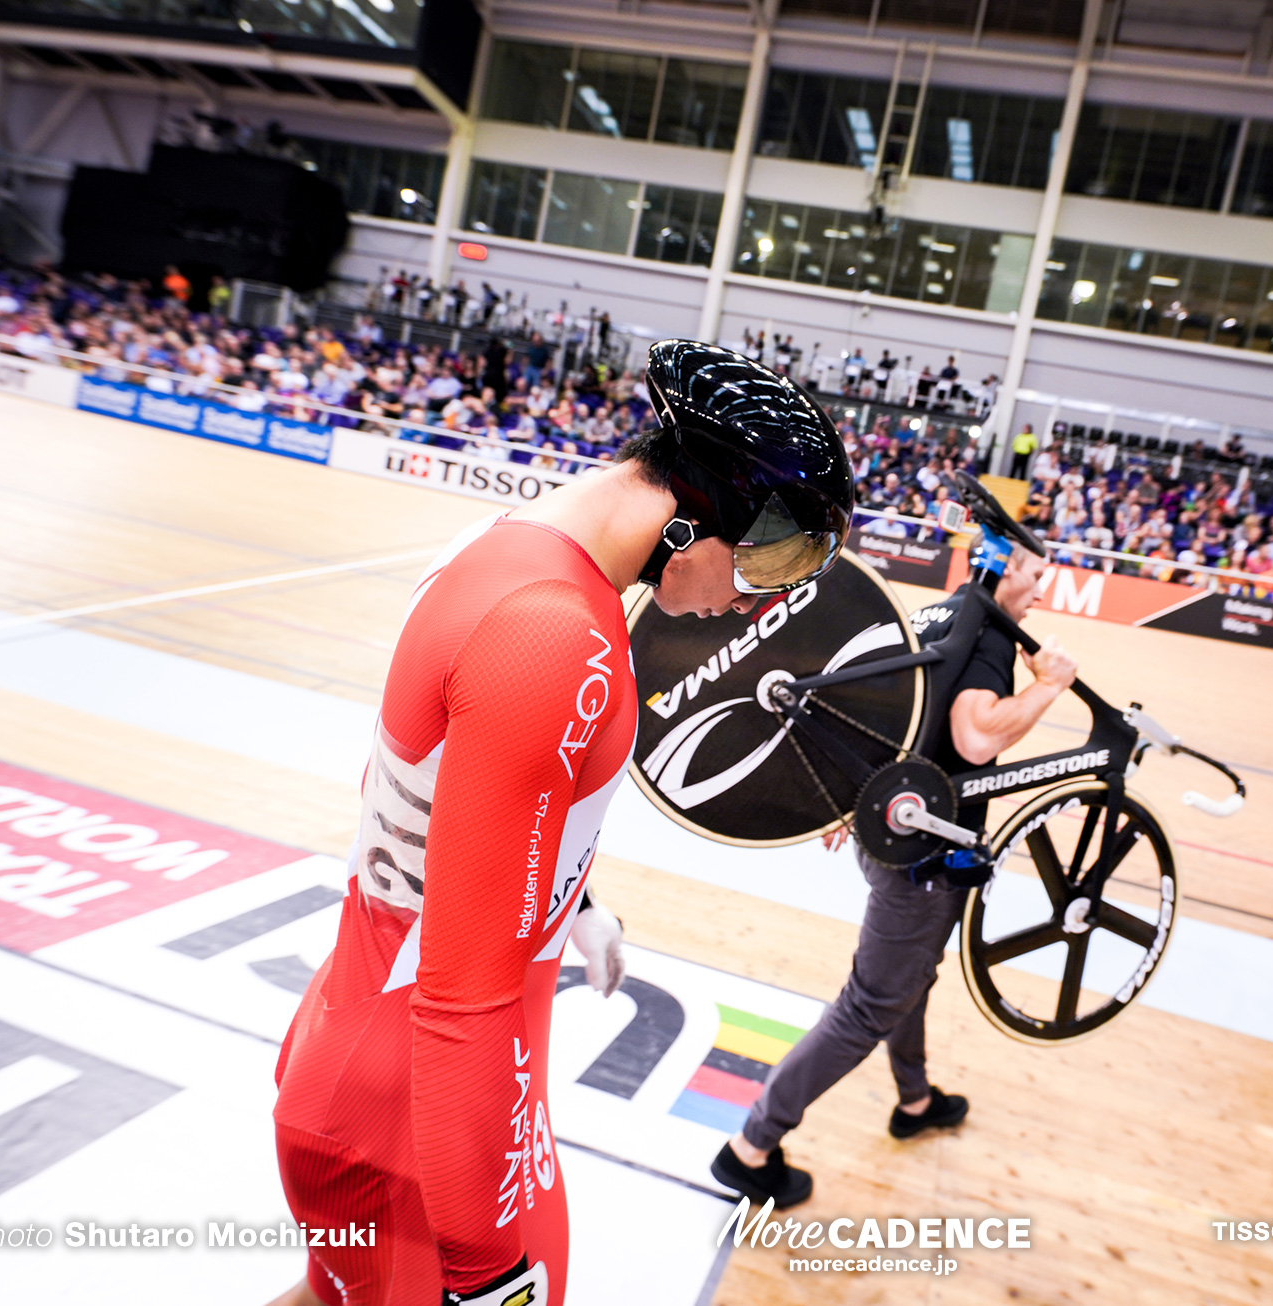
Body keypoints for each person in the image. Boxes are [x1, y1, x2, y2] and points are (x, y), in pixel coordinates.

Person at [268, 341, 854, 1306]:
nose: (769, 595)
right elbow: (464, 1001)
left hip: (370, 1057)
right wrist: (486, 1273)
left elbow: (431, 796)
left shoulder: (510, 550)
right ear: (691, 520)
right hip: (427, 1114)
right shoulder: (556, 636)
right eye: (770, 559)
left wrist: (573, 901)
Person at [710, 545, 1078, 1210]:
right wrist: (1049, 685)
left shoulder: (942, 612)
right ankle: (751, 1147)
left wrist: (845, 795)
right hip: (922, 858)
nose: (1042, 593)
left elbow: (889, 709)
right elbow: (975, 737)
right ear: (1005, 571)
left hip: (889, 828)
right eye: (1036, 577)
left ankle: (914, 1099)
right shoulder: (991, 629)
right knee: (869, 1006)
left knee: (914, 977)